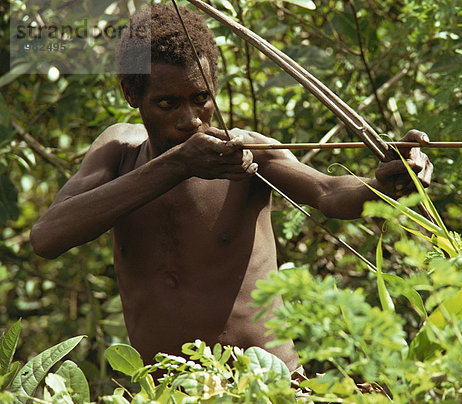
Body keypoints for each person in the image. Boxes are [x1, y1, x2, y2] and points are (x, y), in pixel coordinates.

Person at [30, 4, 433, 372]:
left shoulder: (244, 153)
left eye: (201, 98)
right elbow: (48, 237)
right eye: (168, 104)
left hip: (265, 385)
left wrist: (384, 182)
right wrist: (174, 166)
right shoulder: (119, 151)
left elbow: (330, 193)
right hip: (165, 391)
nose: (190, 120)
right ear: (132, 95)